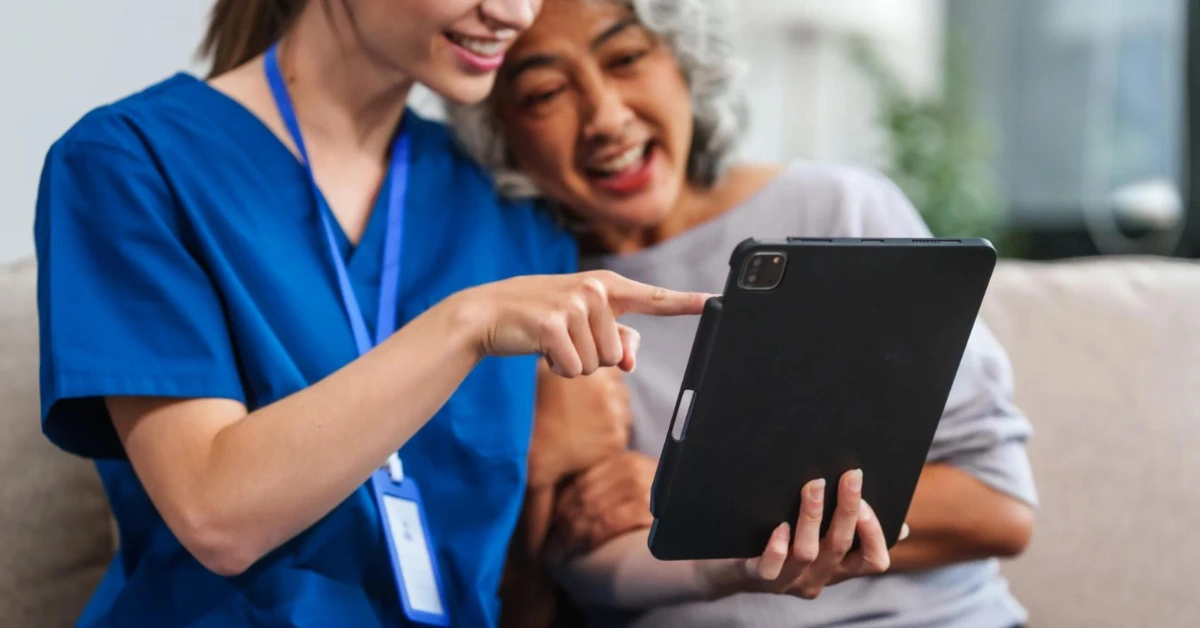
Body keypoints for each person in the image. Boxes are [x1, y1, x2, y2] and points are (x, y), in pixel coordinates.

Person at [33, 0, 895, 626]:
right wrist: (461, 326)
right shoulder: (127, 164)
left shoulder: (507, 200)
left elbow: (573, 538)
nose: (513, 13)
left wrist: (731, 564)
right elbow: (217, 513)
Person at [447, 0, 1039, 626]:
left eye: (626, 58)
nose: (606, 117)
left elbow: (998, 506)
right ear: (499, 129)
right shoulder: (521, 297)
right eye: (545, 93)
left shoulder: (837, 212)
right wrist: (541, 472)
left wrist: (694, 497)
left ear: (684, 63)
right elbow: (572, 573)